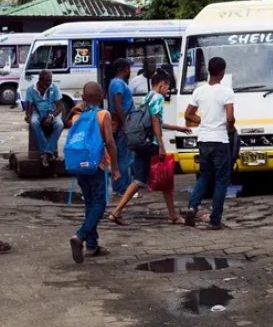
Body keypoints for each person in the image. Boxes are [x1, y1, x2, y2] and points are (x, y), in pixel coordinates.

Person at [108, 69, 192, 226]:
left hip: (140, 143)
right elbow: (154, 121)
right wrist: (161, 145)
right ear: (161, 85)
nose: (167, 91)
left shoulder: (147, 97)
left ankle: (116, 212)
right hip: (151, 144)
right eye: (167, 87)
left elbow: (156, 122)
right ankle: (173, 216)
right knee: (166, 181)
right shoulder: (158, 98)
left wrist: (177, 128)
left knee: (138, 181)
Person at [67, 82, 120, 263]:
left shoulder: (76, 117)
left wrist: (77, 107)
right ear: (101, 95)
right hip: (97, 166)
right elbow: (110, 143)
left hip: (79, 165)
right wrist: (116, 168)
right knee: (100, 203)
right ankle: (80, 236)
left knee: (90, 203)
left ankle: (92, 245)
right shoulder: (103, 115)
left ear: (83, 97)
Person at [183, 57, 235, 230]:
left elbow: (188, 114)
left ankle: (192, 206)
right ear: (222, 72)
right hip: (220, 140)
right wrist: (230, 127)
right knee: (221, 181)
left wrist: (203, 120)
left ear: (209, 71)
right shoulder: (226, 92)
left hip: (203, 140)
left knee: (205, 176)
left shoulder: (199, 91)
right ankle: (215, 219)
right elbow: (230, 117)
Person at [24, 70, 64, 166]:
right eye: (47, 81)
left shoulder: (54, 87)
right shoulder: (30, 90)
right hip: (37, 112)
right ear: (40, 80)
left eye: (50, 80)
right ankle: (45, 151)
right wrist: (28, 116)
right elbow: (29, 108)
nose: (49, 83)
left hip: (52, 112)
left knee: (60, 125)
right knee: (34, 122)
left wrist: (51, 116)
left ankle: (46, 153)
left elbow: (59, 107)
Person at [108, 58, 134, 195]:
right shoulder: (118, 84)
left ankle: (124, 186)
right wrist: (125, 123)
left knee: (124, 156)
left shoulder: (117, 83)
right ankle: (122, 188)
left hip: (124, 122)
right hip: (124, 123)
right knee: (123, 157)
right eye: (128, 68)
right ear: (124, 69)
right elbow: (118, 105)